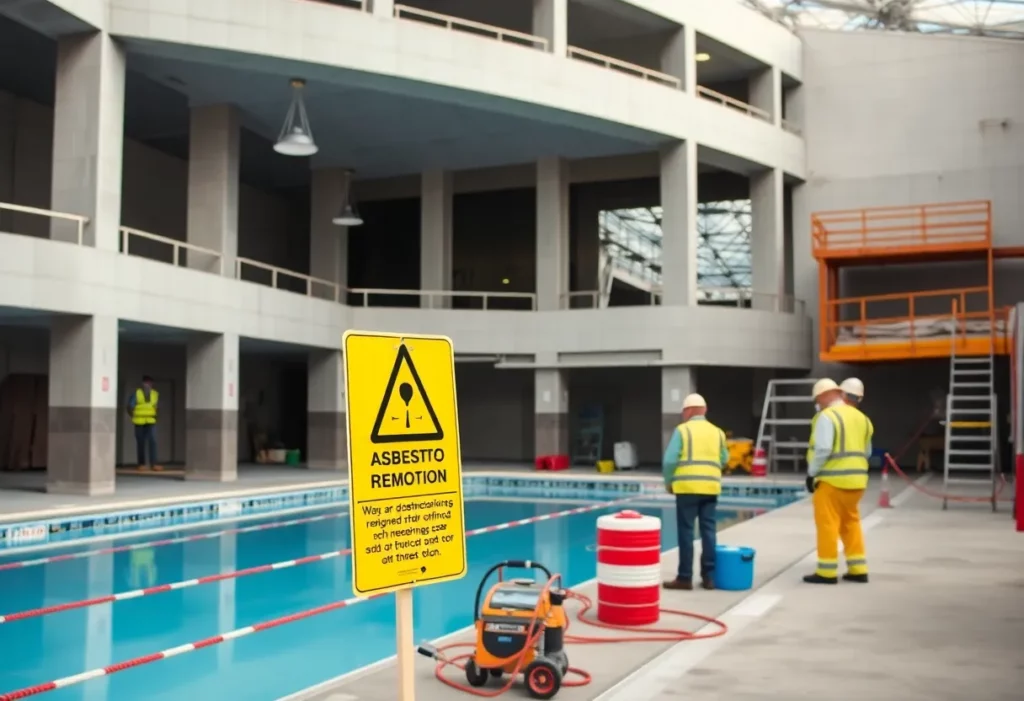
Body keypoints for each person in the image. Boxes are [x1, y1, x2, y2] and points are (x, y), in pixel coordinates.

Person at [804, 378, 872, 585]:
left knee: (828, 525)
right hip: (857, 482)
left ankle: (826, 571)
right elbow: (866, 452)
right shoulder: (863, 419)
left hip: (832, 481)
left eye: (818, 399)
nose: (817, 403)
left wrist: (811, 473)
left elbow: (823, 449)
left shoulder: (827, 416)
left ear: (825, 396)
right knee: (851, 523)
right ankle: (858, 569)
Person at [662, 393, 729, 592]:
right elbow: (724, 459)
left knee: (686, 533)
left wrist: (668, 482)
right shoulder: (718, 432)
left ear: (688, 411)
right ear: (704, 410)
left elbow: (669, 461)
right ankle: (708, 577)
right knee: (709, 532)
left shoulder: (682, 431)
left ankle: (685, 578)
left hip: (687, 489)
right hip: (710, 488)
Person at [127, 375, 161, 471]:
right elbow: (130, 406)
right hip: (139, 421)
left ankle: (154, 464)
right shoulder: (137, 394)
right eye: (146, 383)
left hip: (151, 421)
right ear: (142, 383)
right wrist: (133, 416)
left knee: (153, 441)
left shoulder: (155, 394)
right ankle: (141, 464)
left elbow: (156, 407)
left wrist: (156, 416)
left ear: (152, 384)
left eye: (149, 383)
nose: (147, 385)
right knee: (140, 442)